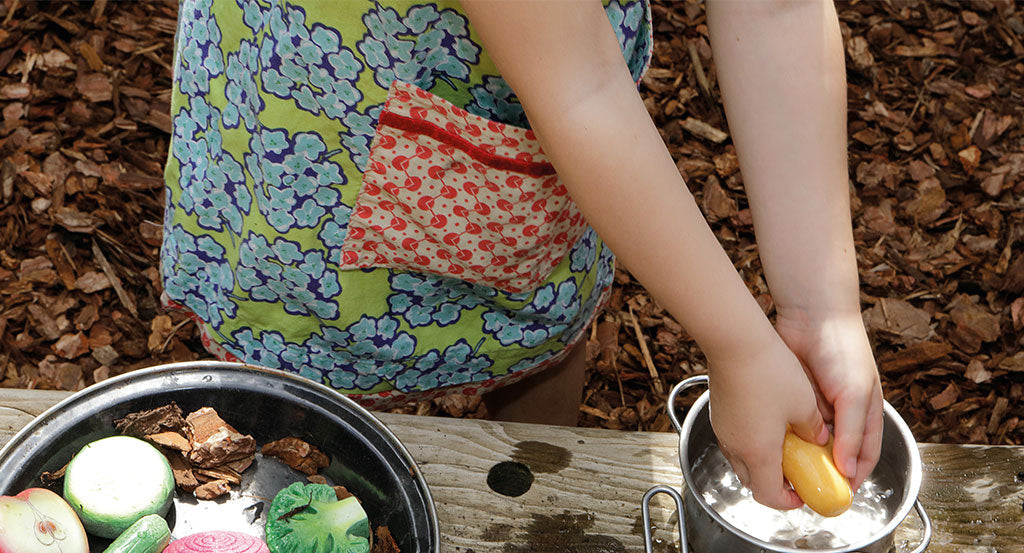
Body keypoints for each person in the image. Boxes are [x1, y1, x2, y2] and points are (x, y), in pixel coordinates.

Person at [162, 0, 882, 511]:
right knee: (302, 381)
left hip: (539, 107)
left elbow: (775, 8)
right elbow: (577, 85)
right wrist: (742, 350)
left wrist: (821, 305)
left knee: (536, 315)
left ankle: (540, 490)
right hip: (329, 109)